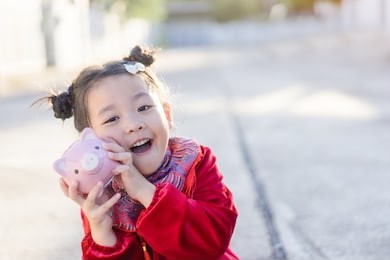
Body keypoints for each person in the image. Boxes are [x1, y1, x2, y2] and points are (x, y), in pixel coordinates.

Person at [45, 45, 238, 259]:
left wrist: (144, 190)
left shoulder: (195, 161)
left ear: (167, 114)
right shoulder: (101, 195)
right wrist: (101, 230)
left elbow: (212, 242)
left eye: (143, 108)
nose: (134, 124)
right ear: (90, 142)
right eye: (111, 119)